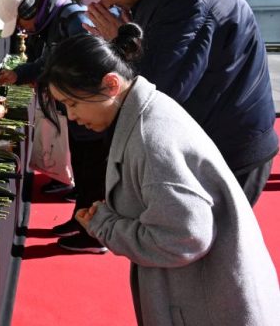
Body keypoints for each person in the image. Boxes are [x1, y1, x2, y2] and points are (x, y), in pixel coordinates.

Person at [38, 24, 280, 325]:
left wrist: (106, 225)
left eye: (72, 104)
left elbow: (184, 239)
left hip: (208, 308)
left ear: (111, 85)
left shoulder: (152, 141)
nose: (72, 116)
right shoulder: (146, 111)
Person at [66, 0, 278, 206]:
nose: (109, 7)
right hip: (221, 139)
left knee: (202, 246)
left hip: (229, 148)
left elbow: (159, 92)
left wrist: (121, 45)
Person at [0, 0, 109, 253]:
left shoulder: (74, 20)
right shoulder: (56, 22)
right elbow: (47, 62)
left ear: (29, 11)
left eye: (21, 23)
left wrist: (59, 86)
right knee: (82, 170)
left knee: (93, 172)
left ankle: (94, 236)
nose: (22, 30)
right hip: (79, 111)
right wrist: (20, 74)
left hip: (91, 112)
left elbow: (94, 66)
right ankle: (81, 221)